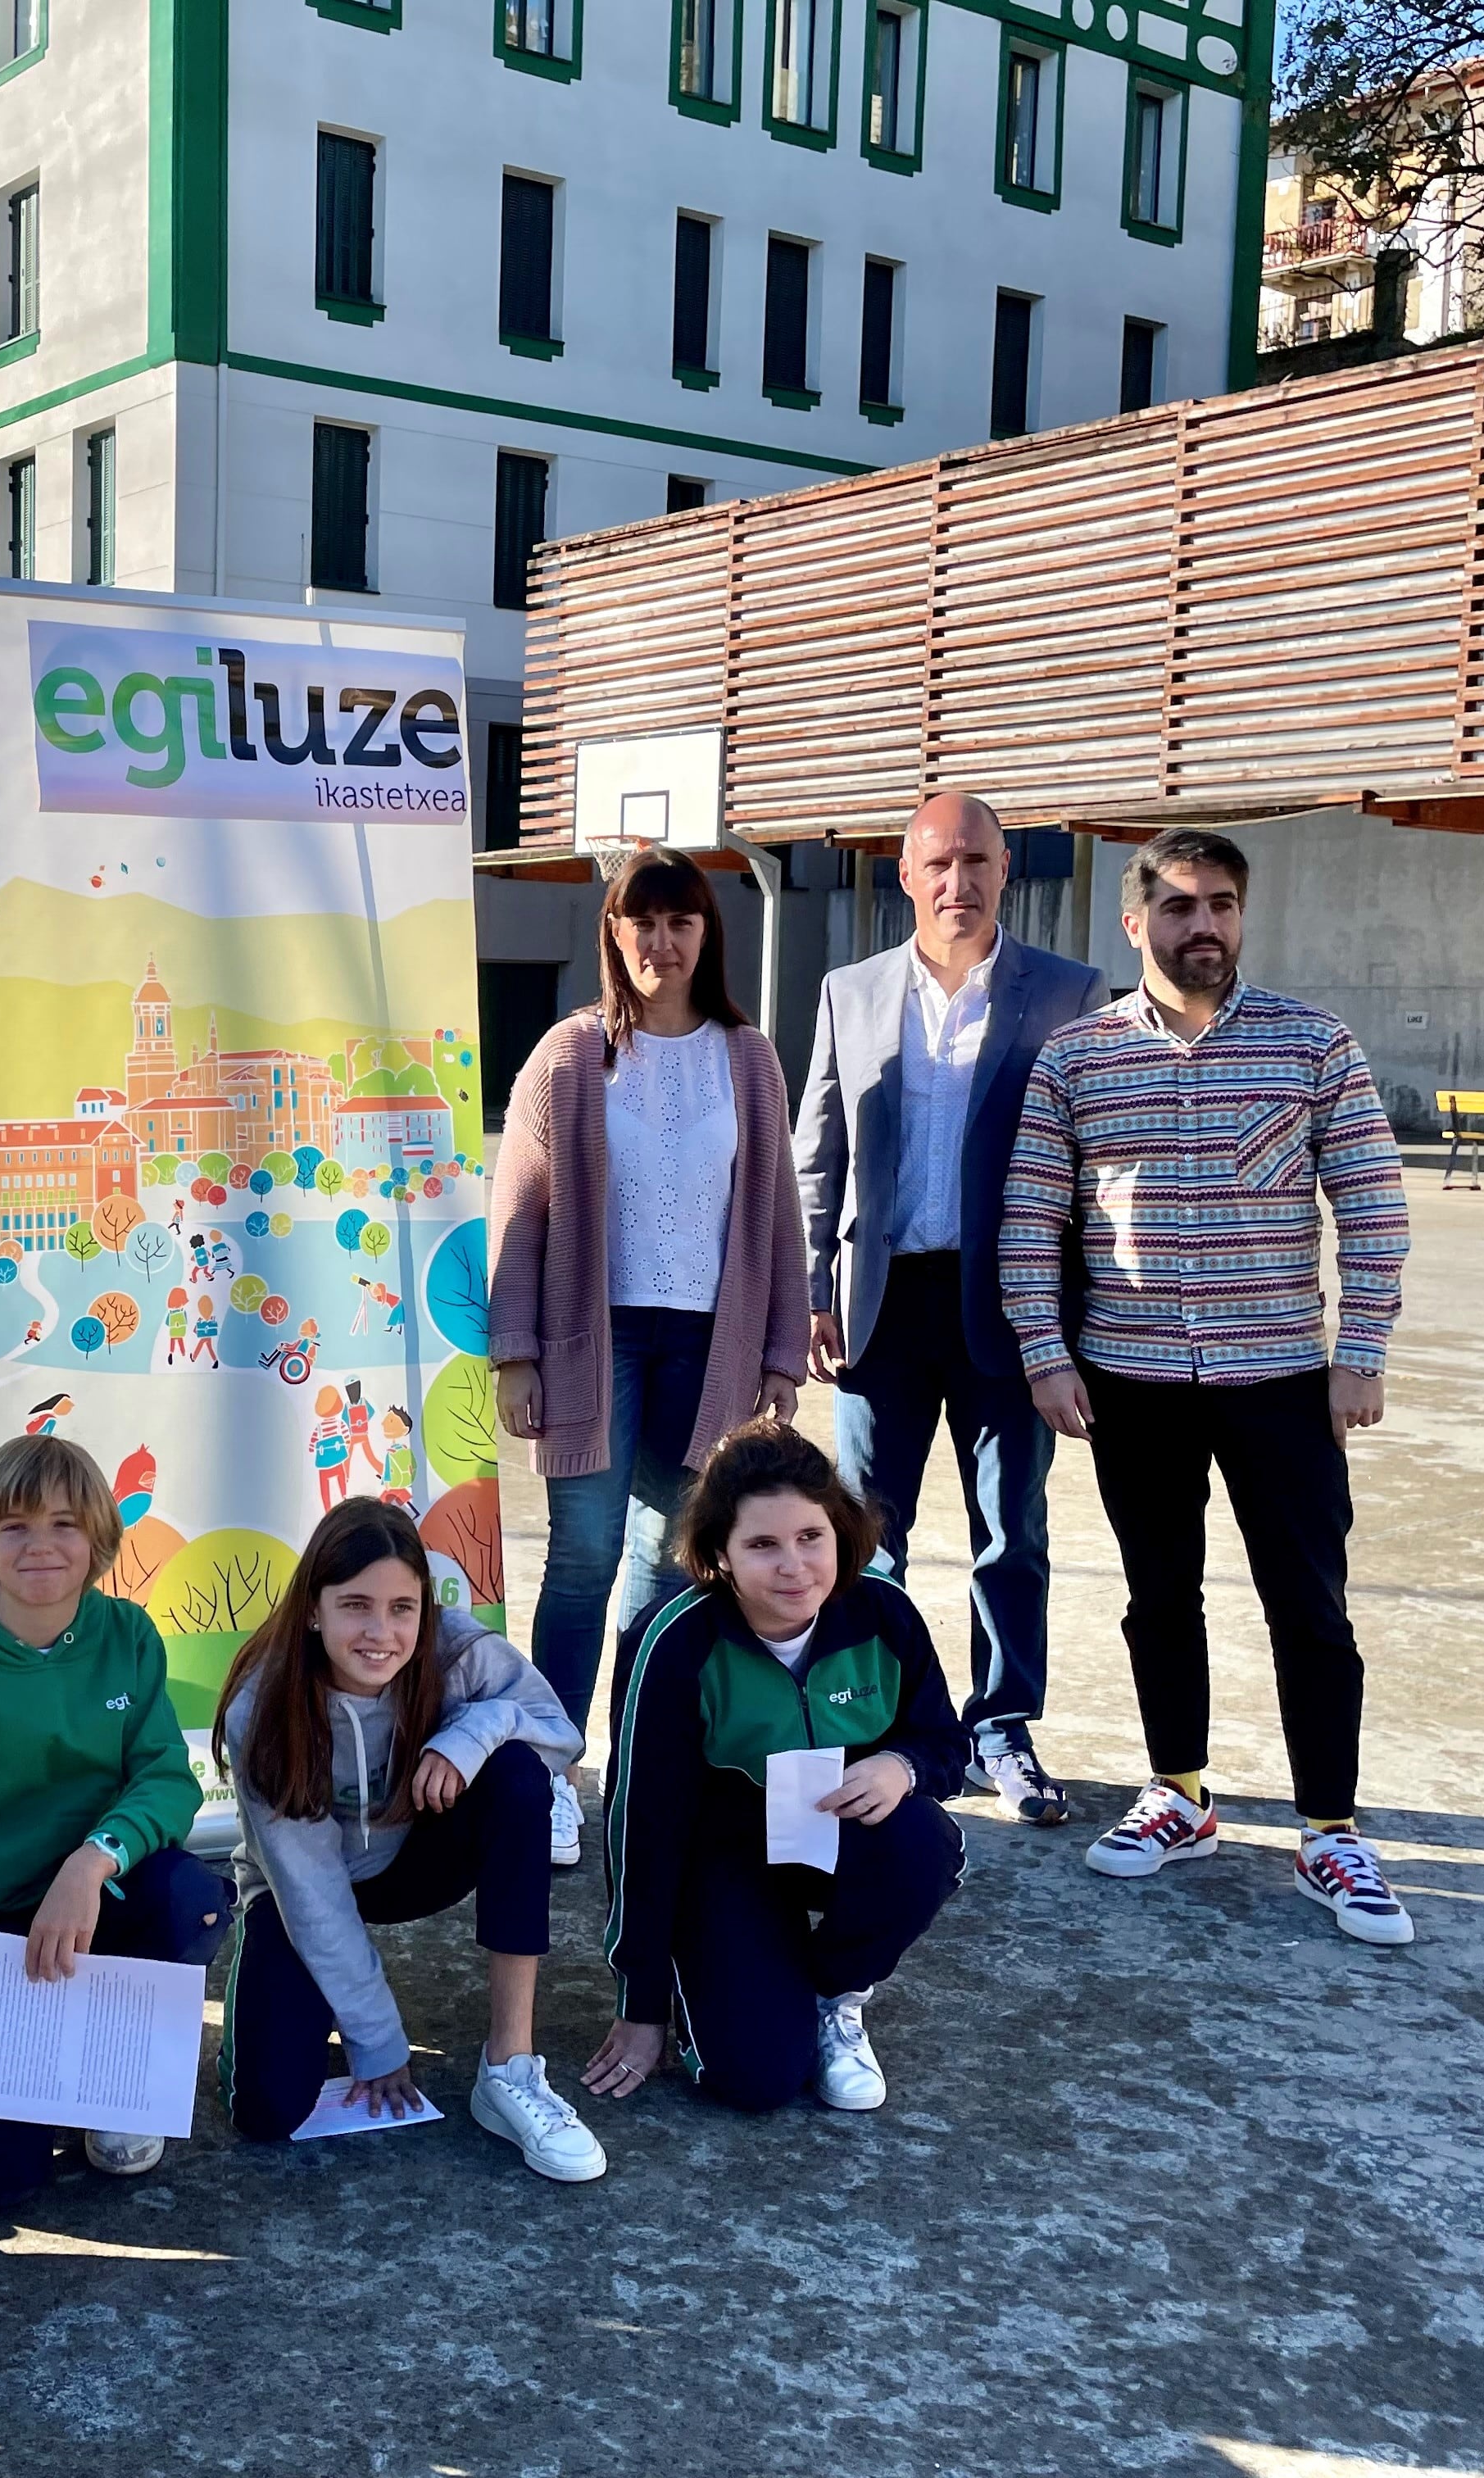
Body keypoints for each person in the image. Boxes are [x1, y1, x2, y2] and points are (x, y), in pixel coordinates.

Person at [1000, 827, 1417, 1945]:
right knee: (1159, 1597)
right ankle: (1179, 1793)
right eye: (1180, 908)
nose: (1205, 928)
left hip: (1280, 1378)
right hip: (1132, 1380)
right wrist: (1045, 1350)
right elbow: (1033, 1217)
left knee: (1310, 1606)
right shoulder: (1078, 1060)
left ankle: (1331, 1831)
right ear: (1136, 924)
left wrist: (1360, 1350)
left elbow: (1373, 1203)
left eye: (1223, 906)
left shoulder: (1314, 1046)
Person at [793, 792, 1111, 1828]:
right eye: (938, 863)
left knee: (1008, 1529)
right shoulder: (850, 991)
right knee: (864, 1535)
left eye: (976, 861)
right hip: (878, 1304)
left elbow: (1089, 1172)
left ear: (1006, 868)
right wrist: (808, 1287)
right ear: (906, 874)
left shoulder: (1068, 994)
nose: (957, 883)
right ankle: (874, 1714)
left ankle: (1002, 1726)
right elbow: (819, 1153)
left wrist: (1069, 1323)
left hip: (1007, 1304)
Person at [489, 842, 807, 1871]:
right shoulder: (572, 1055)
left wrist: (779, 1352)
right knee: (582, 1553)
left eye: (681, 921)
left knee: (671, 1563)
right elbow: (522, 1210)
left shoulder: (747, 1057)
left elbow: (777, 1220)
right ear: (614, 933)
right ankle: (549, 1773)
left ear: (707, 935)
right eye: (642, 920)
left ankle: (639, 1767)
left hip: (709, 1342)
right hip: (600, 1338)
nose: (661, 941)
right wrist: (517, 1351)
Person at [0, 1433, 235, 2210]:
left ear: (98, 1537)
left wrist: (90, 1862)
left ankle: (111, 2084)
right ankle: (9, 2064)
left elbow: (165, 1778)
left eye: (64, 1523)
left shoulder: (127, 1635)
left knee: (188, 1894)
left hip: (96, 1901)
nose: (41, 1545)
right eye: (15, 1526)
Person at [583, 1423, 968, 2115]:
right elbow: (639, 1827)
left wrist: (901, 1765)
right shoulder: (673, 1643)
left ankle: (835, 1998)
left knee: (922, 1843)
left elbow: (945, 1742)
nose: (794, 1566)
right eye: (762, 1545)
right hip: (728, 1860)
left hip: (841, 1840)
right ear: (719, 1555)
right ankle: (750, 1964)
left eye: (810, 1537)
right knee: (756, 2080)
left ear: (840, 1532)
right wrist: (640, 2003)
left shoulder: (884, 1613)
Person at [214, 1500, 602, 2179]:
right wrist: (379, 2039)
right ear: (313, 1608)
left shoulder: (455, 1647)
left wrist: (470, 1735)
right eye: (356, 1605)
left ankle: (510, 2066)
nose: (381, 1632)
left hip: (418, 1857)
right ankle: (307, 2007)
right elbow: (311, 1892)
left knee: (515, 1776)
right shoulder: (264, 1701)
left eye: (402, 1607)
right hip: (297, 1885)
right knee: (267, 2111)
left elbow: (557, 1732)